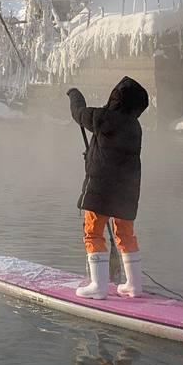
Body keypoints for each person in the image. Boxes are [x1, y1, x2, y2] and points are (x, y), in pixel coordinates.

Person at [66, 76, 149, 300]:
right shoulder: (135, 126)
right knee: (125, 233)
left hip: (101, 188)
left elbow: (79, 113)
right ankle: (133, 285)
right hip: (128, 189)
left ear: (116, 98)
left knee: (92, 232)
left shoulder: (105, 118)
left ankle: (98, 287)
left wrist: (74, 94)